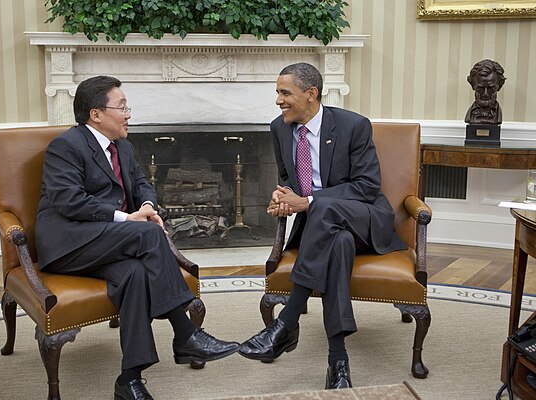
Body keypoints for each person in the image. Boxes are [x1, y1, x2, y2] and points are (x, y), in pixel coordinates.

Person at [35, 75, 240, 400]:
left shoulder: (124, 147)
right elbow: (67, 200)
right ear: (96, 114)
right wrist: (128, 218)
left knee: (134, 274)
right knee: (146, 233)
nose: (129, 113)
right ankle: (185, 333)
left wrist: (145, 205)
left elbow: (143, 183)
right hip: (68, 244)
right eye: (122, 106)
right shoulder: (67, 146)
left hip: (109, 243)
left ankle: (129, 380)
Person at [238, 63, 407, 389]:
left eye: (285, 93)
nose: (278, 101)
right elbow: (289, 179)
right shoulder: (279, 128)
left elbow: (366, 187)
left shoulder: (353, 125)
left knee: (326, 208)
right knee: (337, 244)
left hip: (365, 220)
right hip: (327, 230)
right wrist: (283, 196)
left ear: (311, 94)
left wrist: (310, 202)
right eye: (277, 93)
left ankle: (286, 322)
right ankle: (338, 361)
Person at [464, 59, 506, 125]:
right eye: (480, 88)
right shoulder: (470, 115)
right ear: (473, 85)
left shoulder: (497, 114)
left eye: (491, 88)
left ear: (499, 86)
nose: (485, 94)